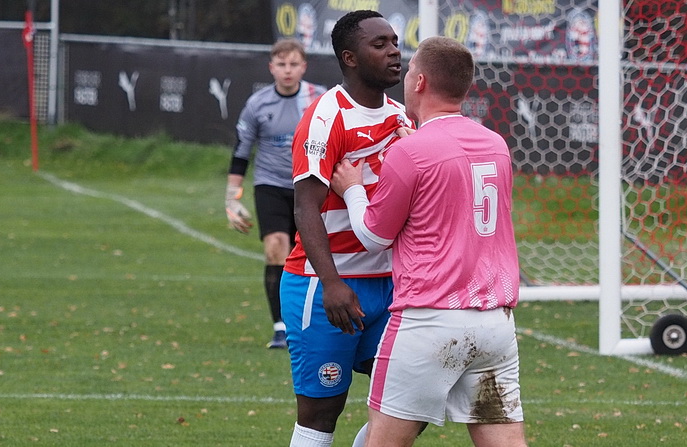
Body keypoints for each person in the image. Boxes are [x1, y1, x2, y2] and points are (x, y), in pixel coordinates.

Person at [330, 36, 527, 446]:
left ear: (419, 82)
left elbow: (372, 235)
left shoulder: (412, 152)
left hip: (429, 321)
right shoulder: (496, 144)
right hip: (495, 325)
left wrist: (352, 189)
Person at [279, 10, 413, 447]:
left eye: (395, 41)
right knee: (321, 413)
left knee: (410, 400)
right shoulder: (326, 117)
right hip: (324, 286)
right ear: (350, 57)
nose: (395, 50)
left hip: (389, 286)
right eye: (381, 44)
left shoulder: (400, 118)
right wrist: (333, 283)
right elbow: (306, 206)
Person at [225, 38, 326, 349]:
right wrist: (231, 197)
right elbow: (242, 151)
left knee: (312, 255)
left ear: (303, 67)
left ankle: (311, 322)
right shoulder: (258, 104)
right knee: (275, 248)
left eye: (293, 64)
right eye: (281, 64)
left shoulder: (318, 99)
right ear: (271, 67)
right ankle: (280, 326)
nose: (287, 70)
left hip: (308, 185)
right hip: (269, 184)